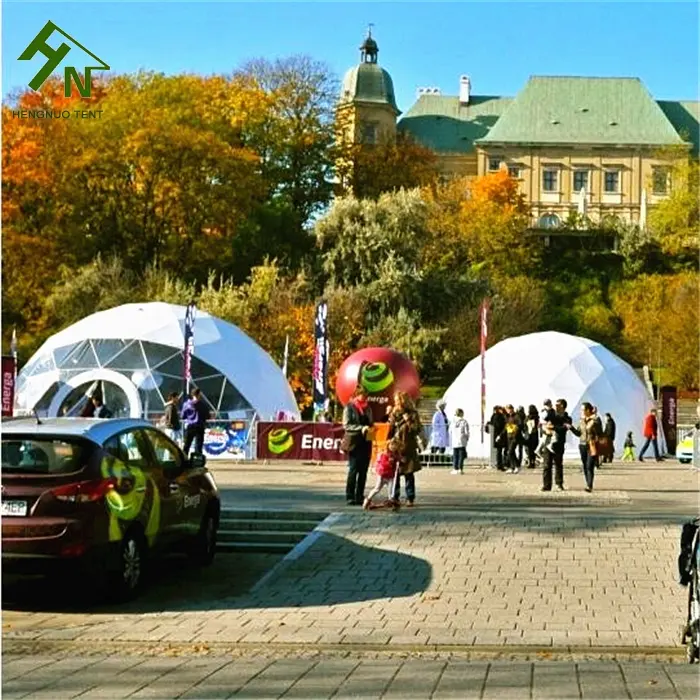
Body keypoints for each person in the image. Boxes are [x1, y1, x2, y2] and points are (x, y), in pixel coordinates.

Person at [389, 391, 423, 507]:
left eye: (398, 401)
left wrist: (408, 420)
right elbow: (391, 430)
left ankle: (410, 497)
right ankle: (395, 497)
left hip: (408, 446)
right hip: (396, 447)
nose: (397, 403)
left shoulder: (413, 413)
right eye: (396, 401)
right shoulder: (394, 413)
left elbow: (417, 429)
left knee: (409, 473)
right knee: (396, 474)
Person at [342, 385, 374, 505]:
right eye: (363, 395)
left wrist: (372, 432)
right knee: (353, 470)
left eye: (366, 396)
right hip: (354, 443)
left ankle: (359, 495)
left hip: (366, 443)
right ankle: (350, 495)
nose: (365, 398)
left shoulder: (368, 408)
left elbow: (370, 424)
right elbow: (346, 425)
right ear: (357, 395)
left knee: (363, 472)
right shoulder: (349, 407)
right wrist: (361, 428)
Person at [567, 402, 602, 492]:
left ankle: (589, 486)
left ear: (588, 410)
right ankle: (587, 483)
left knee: (589, 465)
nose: (581, 411)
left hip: (591, 444)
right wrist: (571, 428)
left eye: (583, 409)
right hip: (582, 445)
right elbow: (579, 433)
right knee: (585, 466)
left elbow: (600, 432)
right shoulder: (581, 420)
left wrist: (594, 423)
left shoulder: (596, 420)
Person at [542, 398, 570, 491]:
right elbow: (545, 422)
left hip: (559, 444)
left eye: (558, 405)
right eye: (555, 405)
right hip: (548, 442)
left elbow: (563, 429)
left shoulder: (567, 418)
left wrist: (553, 427)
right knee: (546, 465)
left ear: (563, 406)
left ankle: (559, 483)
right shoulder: (552, 414)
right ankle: (546, 485)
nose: (556, 406)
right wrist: (546, 427)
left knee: (558, 464)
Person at [363, 439, 398, 510]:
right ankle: (368, 499)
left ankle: (391, 501)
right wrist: (389, 462)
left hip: (390, 476)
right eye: (392, 445)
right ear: (388, 446)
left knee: (391, 490)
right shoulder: (384, 454)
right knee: (377, 488)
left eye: (395, 446)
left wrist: (401, 459)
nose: (393, 447)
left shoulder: (395, 454)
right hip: (382, 475)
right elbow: (382, 464)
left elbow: (398, 459)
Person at [181, 388, 209, 456]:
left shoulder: (186, 404)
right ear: (199, 394)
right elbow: (207, 416)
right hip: (200, 426)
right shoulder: (203, 405)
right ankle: (197, 460)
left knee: (187, 444)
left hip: (190, 426)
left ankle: (184, 459)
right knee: (198, 445)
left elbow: (182, 416)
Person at [450, 408, 469, 475]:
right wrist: (467, 438)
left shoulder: (452, 421)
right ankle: (460, 469)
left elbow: (450, 431)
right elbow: (467, 432)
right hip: (462, 440)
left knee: (455, 455)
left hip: (455, 440)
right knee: (461, 456)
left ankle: (455, 468)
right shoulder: (464, 421)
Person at [504, 406, 522, 473]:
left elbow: (520, 424)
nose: (508, 411)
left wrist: (516, 428)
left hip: (515, 437)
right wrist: (500, 435)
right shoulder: (507, 417)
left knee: (510, 451)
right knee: (511, 452)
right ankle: (512, 467)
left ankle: (517, 466)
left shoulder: (516, 416)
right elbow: (506, 427)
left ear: (512, 409)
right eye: (507, 409)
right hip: (509, 436)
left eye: (509, 409)